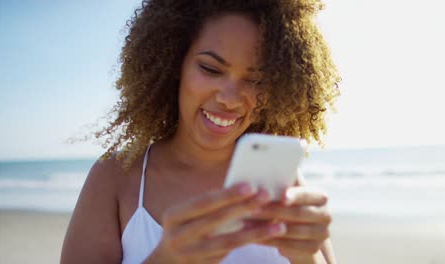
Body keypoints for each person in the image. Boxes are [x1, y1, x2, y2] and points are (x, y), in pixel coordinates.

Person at [61, 0, 340, 263]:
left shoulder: (282, 183)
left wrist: (308, 256)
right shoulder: (116, 177)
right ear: (173, 62)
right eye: (210, 68)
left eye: (256, 79)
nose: (230, 98)